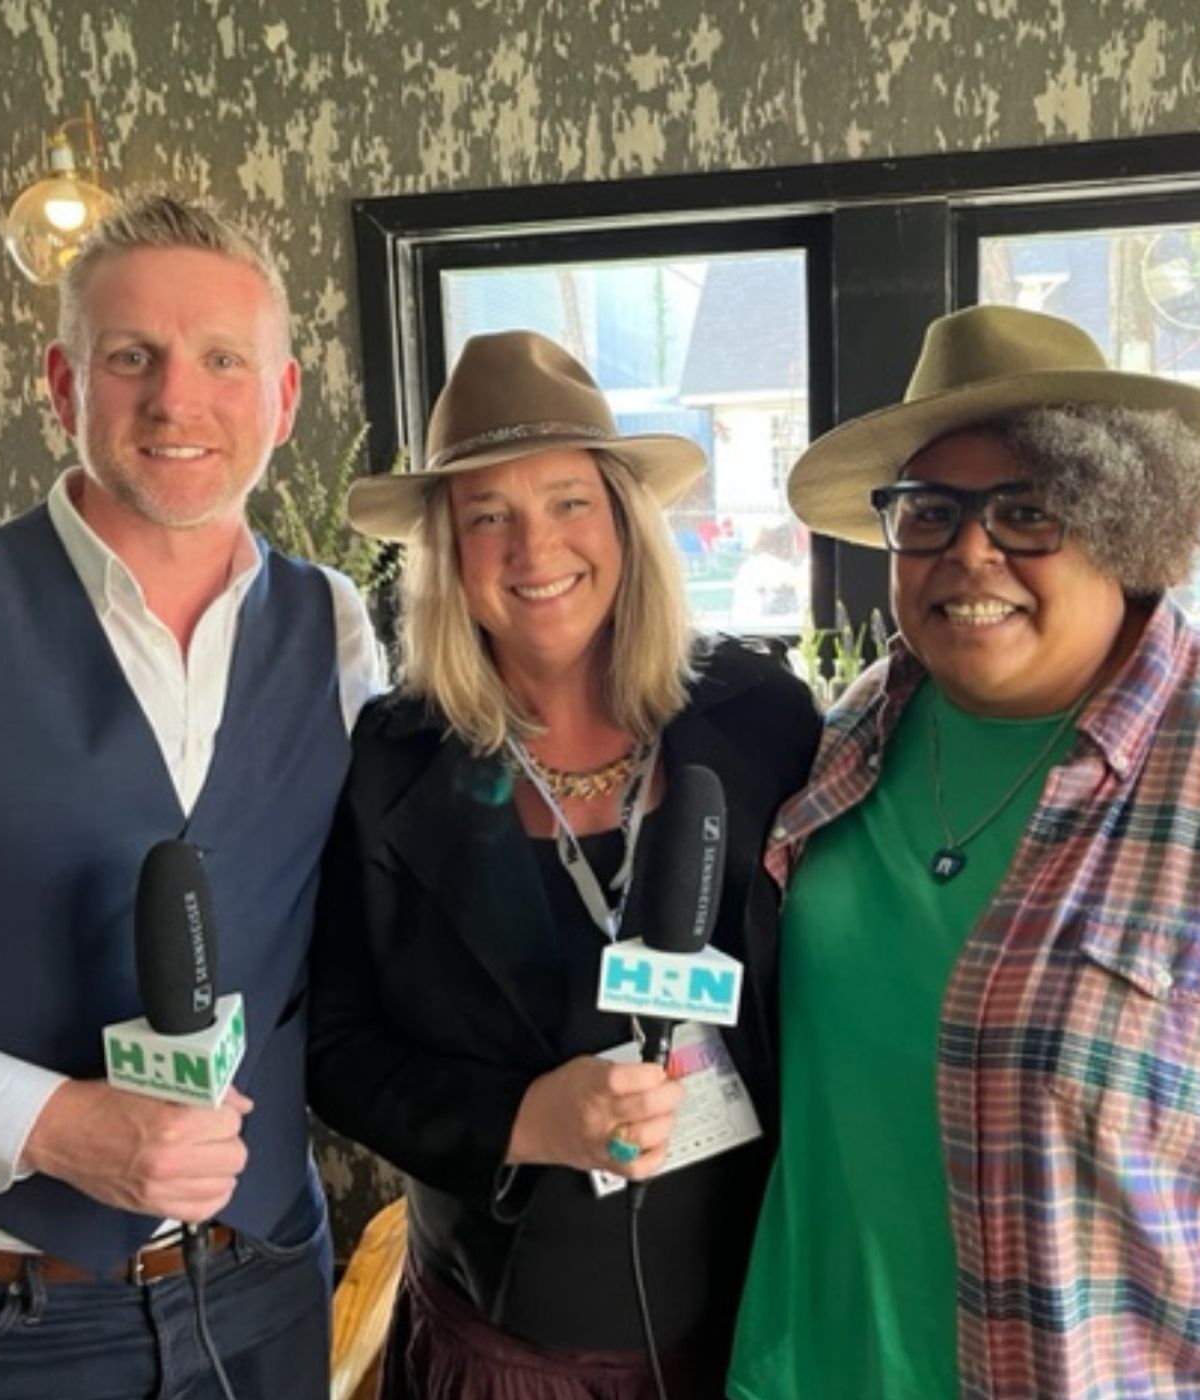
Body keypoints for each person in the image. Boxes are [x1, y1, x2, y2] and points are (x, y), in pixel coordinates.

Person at [0, 194, 382, 1399]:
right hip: (7, 1318)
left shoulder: (335, 627)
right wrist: (44, 1122)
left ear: (283, 397)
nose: (177, 400)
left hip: (267, 1274)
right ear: (62, 384)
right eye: (132, 356)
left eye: (222, 360)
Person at [728, 305, 1200, 1400]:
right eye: (930, 511)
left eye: (1027, 510)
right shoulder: (855, 728)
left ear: (1124, 524)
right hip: (803, 1367)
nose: (970, 550)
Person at [307, 330, 820, 1398]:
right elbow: (336, 1045)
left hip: (751, 1327)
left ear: (623, 520)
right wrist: (521, 1119)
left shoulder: (764, 720)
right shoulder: (394, 758)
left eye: (568, 501)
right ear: (449, 552)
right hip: (503, 1341)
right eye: (486, 515)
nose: (533, 548)